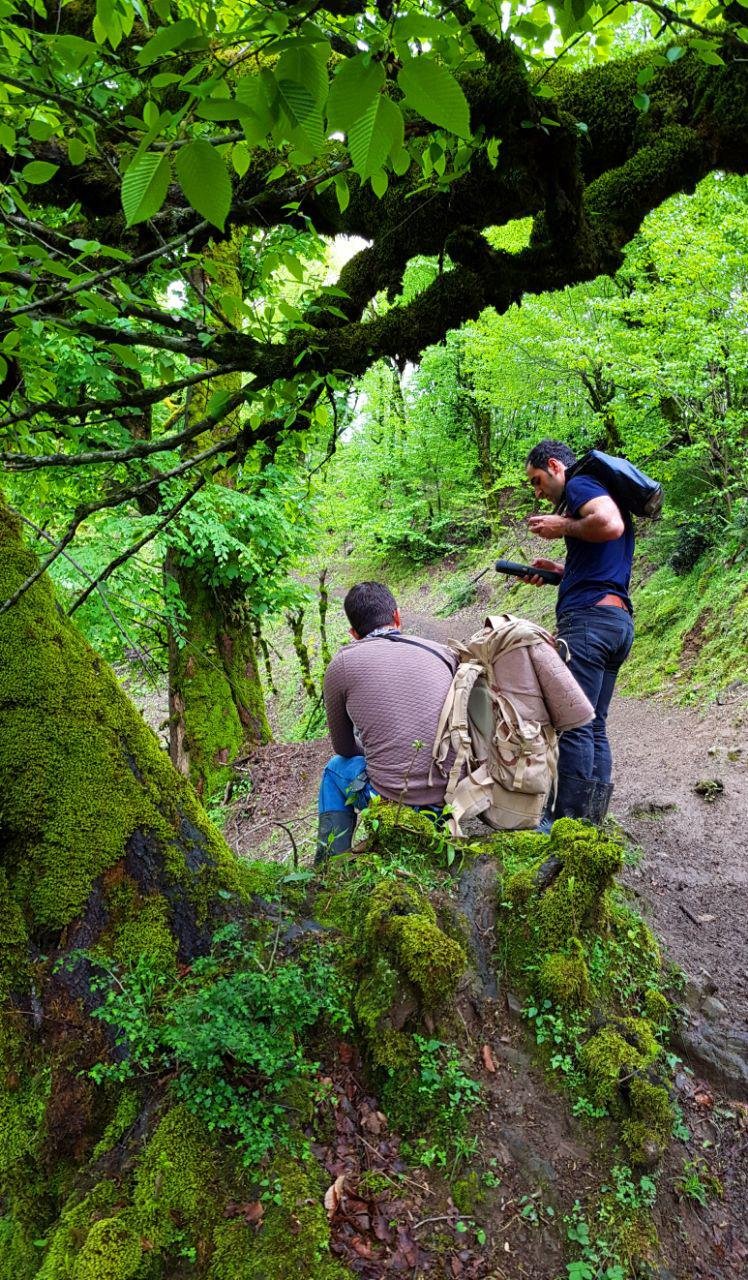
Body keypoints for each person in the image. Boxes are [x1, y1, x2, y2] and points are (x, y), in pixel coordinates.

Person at [524, 439, 635, 822]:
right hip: (616, 621)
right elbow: (601, 559)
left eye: (538, 481)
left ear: (555, 466)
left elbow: (610, 524)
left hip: (588, 623)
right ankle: (591, 821)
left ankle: (564, 824)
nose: (539, 493)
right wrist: (559, 573)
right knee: (594, 723)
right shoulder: (599, 490)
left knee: (574, 722)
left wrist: (562, 526)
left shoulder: (579, 485)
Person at [317, 581, 456, 861]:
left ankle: (331, 865)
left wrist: (376, 751)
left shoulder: (341, 665)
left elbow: (343, 748)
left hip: (394, 799)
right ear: (397, 616)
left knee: (334, 771)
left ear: (354, 633)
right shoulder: (442, 652)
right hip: (455, 794)